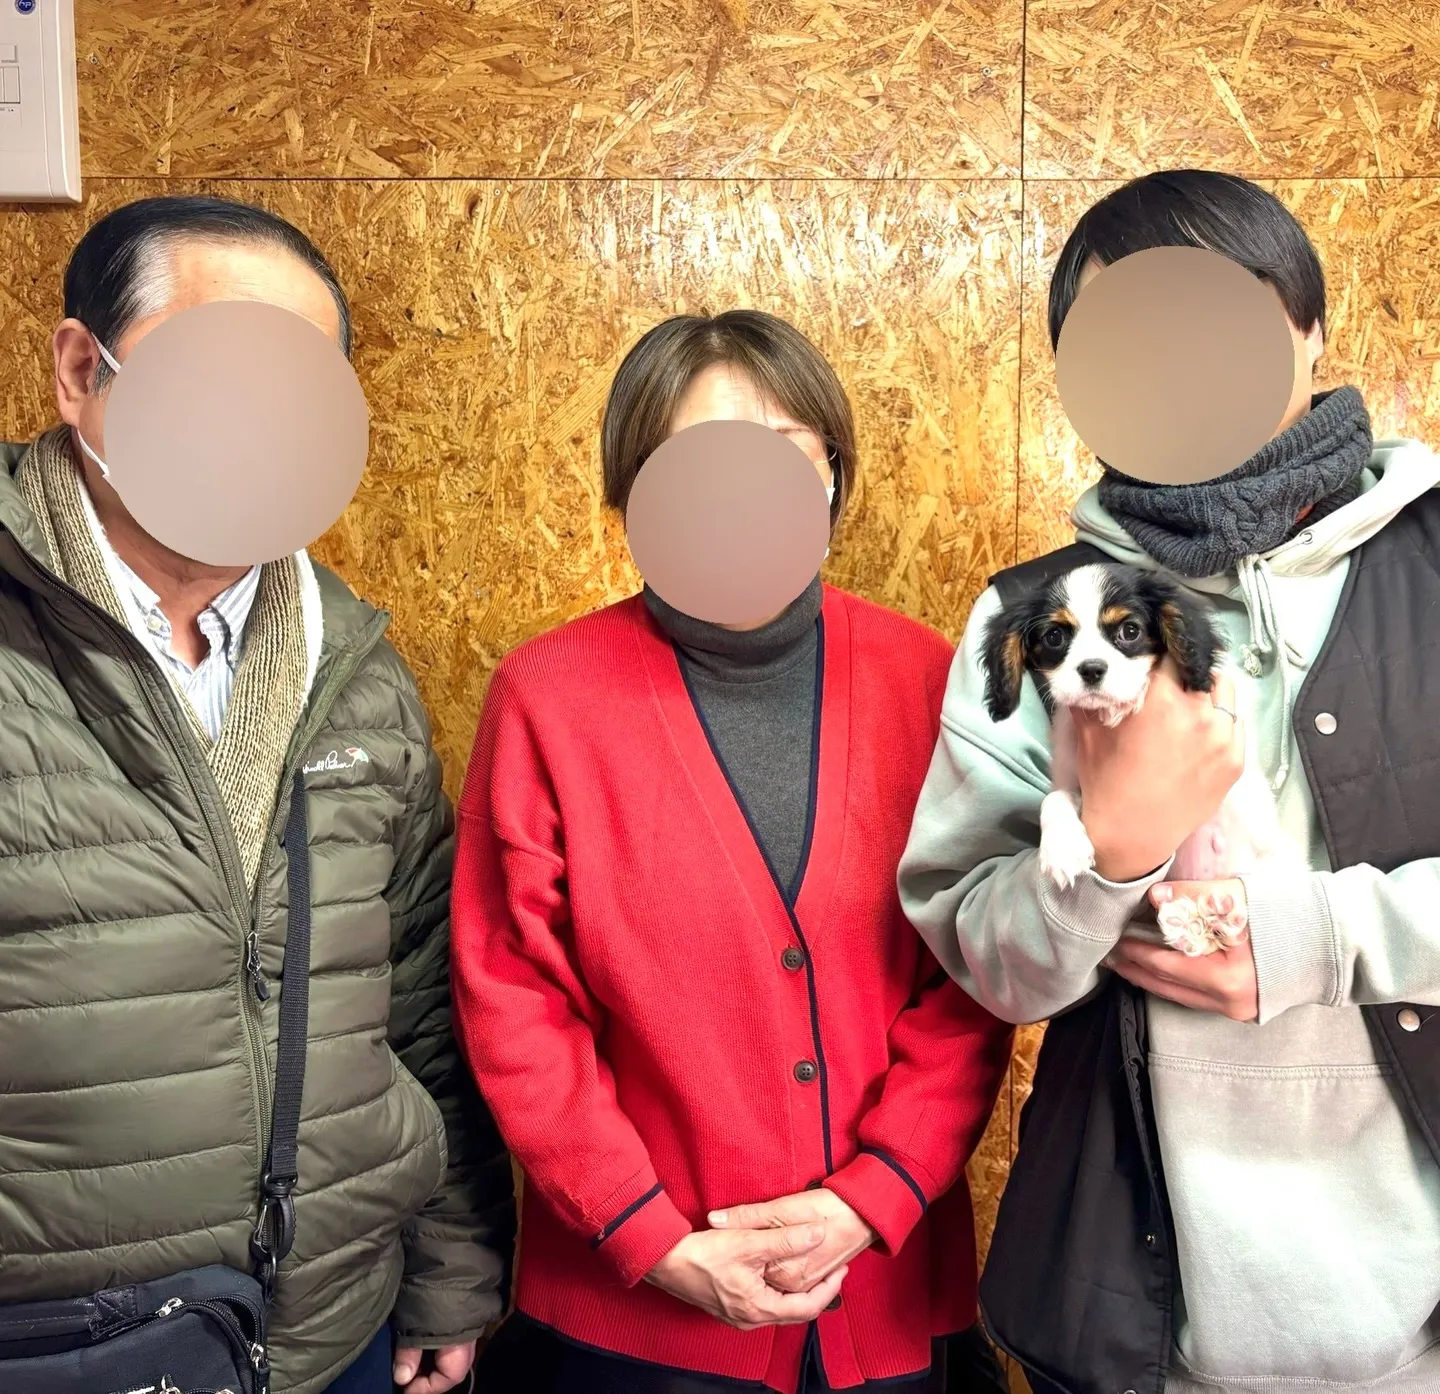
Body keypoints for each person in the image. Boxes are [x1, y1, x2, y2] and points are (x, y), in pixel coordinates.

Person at [898, 168, 1440, 1394]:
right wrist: (1108, 847)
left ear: (1308, 327)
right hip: (1137, 1318)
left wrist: (1318, 938)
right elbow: (987, 956)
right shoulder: (1031, 619)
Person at [0, 196, 514, 1394]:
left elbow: (416, 1007)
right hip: (55, 1352)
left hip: (330, 1333)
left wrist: (451, 1271)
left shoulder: (357, 673)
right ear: (81, 370)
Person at [449, 310, 1014, 1394]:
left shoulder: (926, 678)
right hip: (630, 1317)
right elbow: (512, 999)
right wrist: (650, 1234)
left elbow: (974, 970)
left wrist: (872, 1196)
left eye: (784, 449)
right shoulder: (546, 697)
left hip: (883, 1293)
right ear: (634, 489)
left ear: (833, 473)